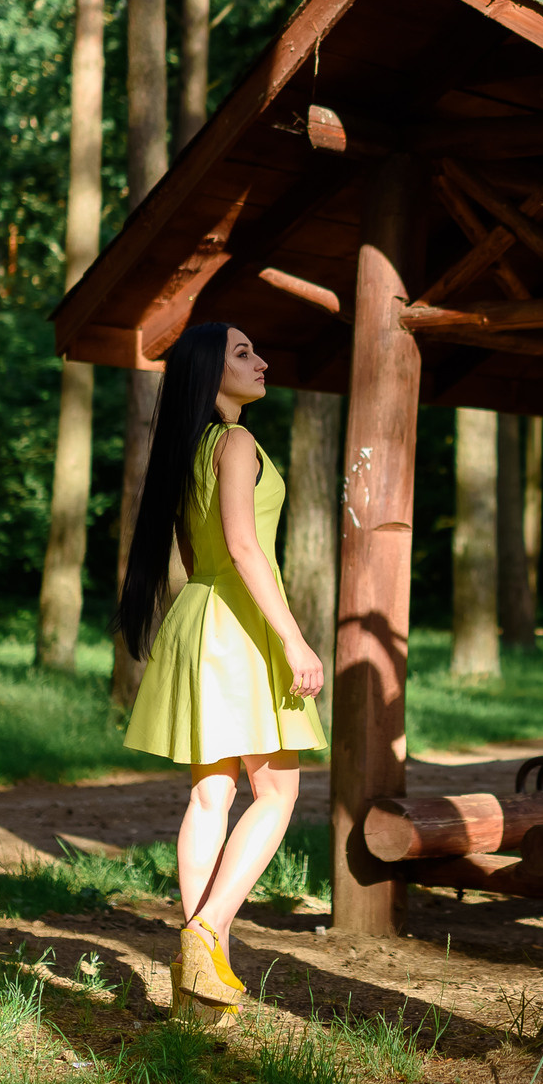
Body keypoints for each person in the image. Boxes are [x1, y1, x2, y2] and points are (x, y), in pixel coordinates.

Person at [119, 321, 329, 1012]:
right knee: (276, 794)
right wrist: (295, 639)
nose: (262, 359)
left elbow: (201, 547)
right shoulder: (236, 441)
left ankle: (198, 985)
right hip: (238, 623)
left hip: (197, 619)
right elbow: (244, 545)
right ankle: (206, 930)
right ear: (210, 374)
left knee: (211, 796)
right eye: (243, 352)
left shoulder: (188, 449)